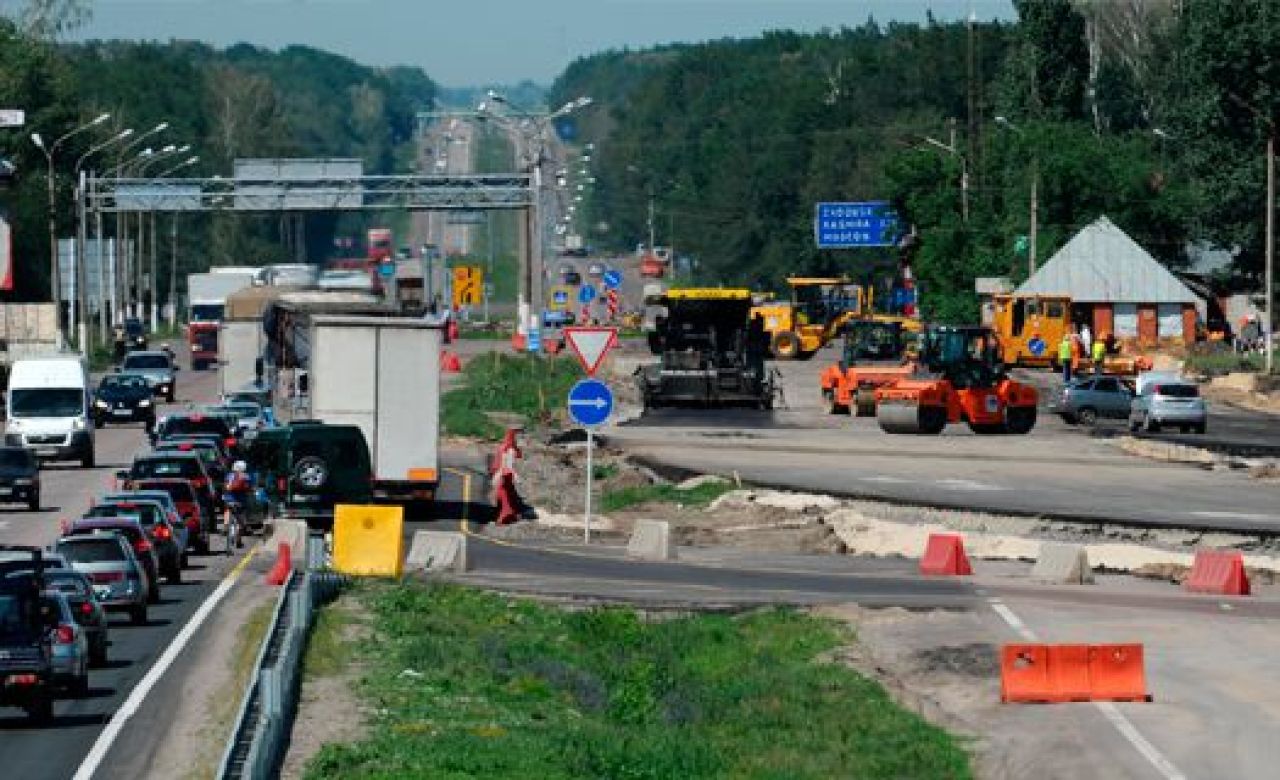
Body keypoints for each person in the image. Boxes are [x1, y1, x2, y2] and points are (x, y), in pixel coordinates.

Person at [222, 460, 254, 554]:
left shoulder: (229, 476)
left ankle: (225, 525)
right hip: (240, 502)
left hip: (229, 500)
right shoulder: (247, 477)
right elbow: (250, 489)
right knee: (241, 523)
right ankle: (238, 540)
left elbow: (225, 487)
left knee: (227, 509)